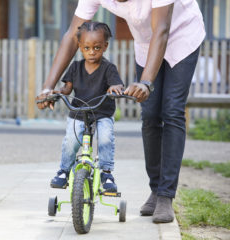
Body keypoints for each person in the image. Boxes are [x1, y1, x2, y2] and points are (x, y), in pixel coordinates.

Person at [36, 0, 205, 224]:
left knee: (172, 111)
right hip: (147, 44)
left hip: (181, 38)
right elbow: (71, 35)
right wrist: (48, 86)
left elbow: (162, 29)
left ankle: (166, 195)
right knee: (151, 115)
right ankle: (156, 189)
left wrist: (146, 82)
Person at [49, 22, 124, 193]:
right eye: (87, 48)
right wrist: (58, 92)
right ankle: (64, 171)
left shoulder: (108, 68)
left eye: (97, 48)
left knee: (105, 139)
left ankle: (106, 173)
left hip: (102, 113)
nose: (92, 52)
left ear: (105, 46)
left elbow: (116, 84)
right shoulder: (75, 67)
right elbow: (67, 88)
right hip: (78, 113)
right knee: (71, 141)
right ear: (80, 47)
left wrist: (115, 88)